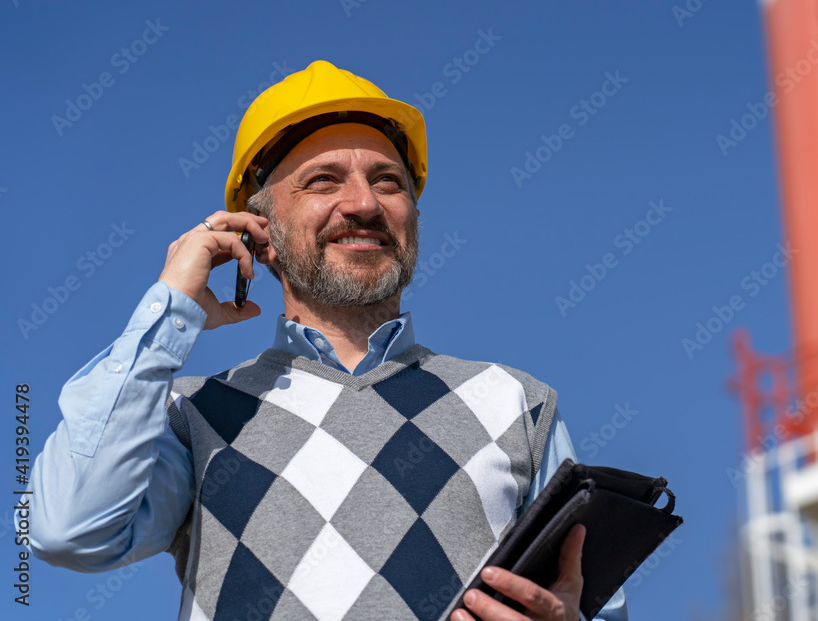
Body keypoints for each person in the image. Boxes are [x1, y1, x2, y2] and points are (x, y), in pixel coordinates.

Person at [28, 61, 628, 621]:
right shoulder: (191, 416)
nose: (364, 203)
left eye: (388, 181)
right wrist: (167, 314)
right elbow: (68, 528)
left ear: (413, 217)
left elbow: (596, 606)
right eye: (323, 181)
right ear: (260, 230)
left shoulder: (518, 405)